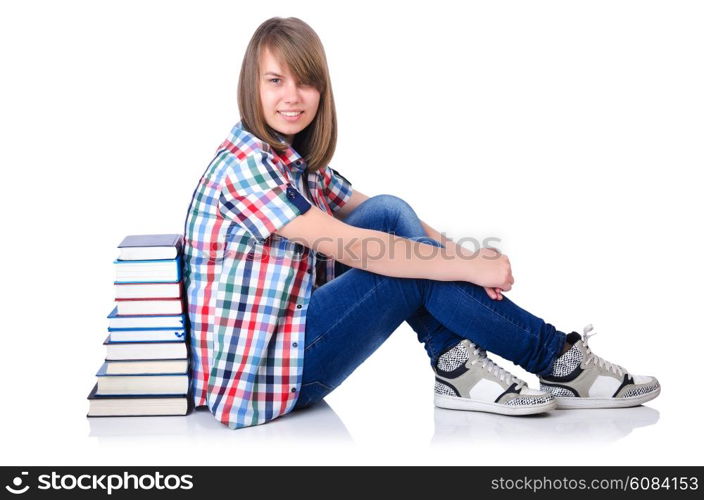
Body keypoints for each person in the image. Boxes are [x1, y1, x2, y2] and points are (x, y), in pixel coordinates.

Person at [183, 17, 660, 430]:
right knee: (406, 273)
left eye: (305, 82)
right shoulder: (245, 169)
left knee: (390, 212)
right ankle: (554, 360)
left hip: (290, 340)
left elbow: (376, 211)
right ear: (252, 85)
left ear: (321, 90)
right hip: (263, 376)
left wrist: (465, 258)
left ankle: (457, 365)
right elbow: (354, 248)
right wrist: (468, 270)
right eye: (275, 81)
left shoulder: (288, 159)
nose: (293, 96)